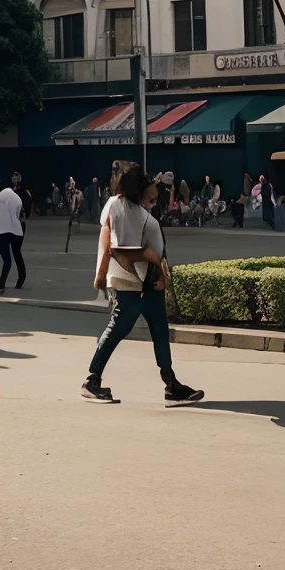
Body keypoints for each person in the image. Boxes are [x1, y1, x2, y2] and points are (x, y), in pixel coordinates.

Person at [82, 165, 203, 407]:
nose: (153, 201)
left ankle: (171, 385)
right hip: (129, 283)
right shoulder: (122, 209)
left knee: (159, 330)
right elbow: (117, 247)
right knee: (119, 328)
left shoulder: (126, 209)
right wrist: (150, 257)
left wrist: (160, 272)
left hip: (149, 283)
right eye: (150, 196)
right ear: (138, 192)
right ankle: (91, 381)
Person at [0, 175, 26, 292]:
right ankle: (21, 279)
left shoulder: (0, 197)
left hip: (1, 230)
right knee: (17, 253)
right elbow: (21, 215)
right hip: (17, 229)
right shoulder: (17, 198)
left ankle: (1, 282)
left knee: (7, 259)